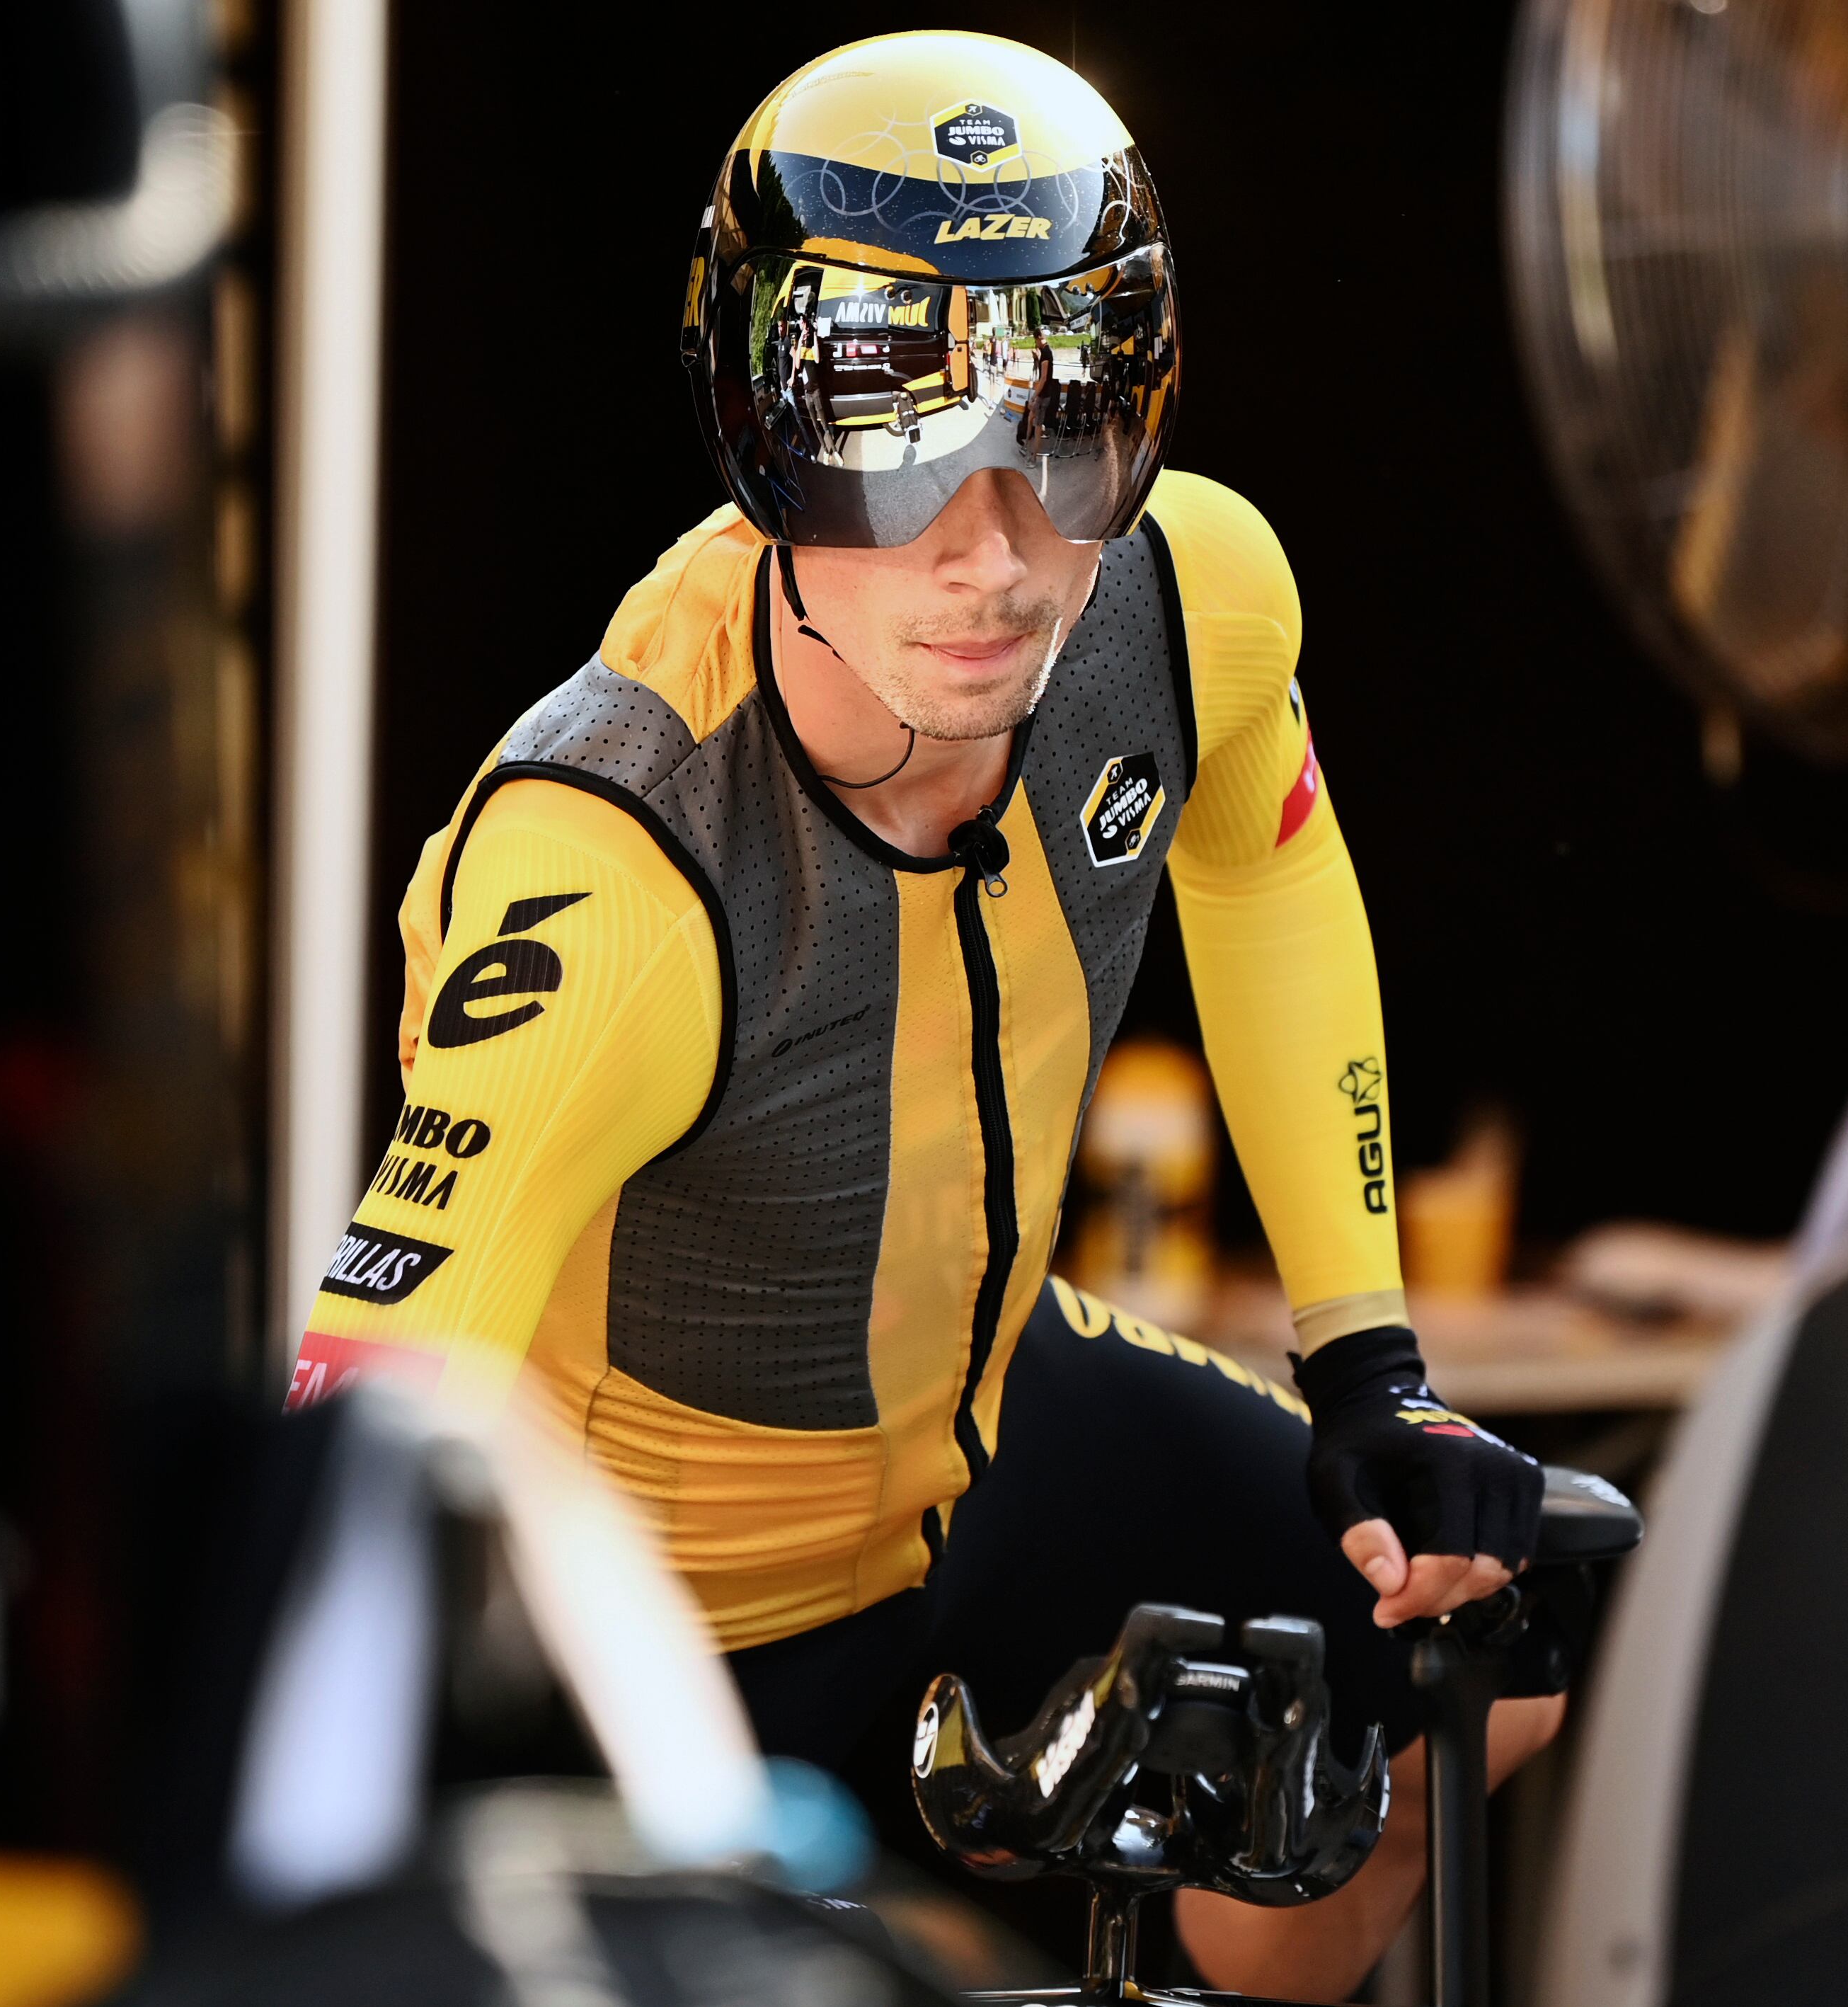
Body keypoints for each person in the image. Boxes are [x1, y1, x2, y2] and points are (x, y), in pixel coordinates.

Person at [295, 33, 1559, 1996]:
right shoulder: (613, 858)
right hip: (681, 1618)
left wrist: (1368, 1359)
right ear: (757, 429)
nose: (986, 549)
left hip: (980, 1430)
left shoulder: (1188, 596)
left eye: (1060, 418)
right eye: (890, 424)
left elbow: (1261, 855)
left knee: (1469, 1676)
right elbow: (377, 1404)